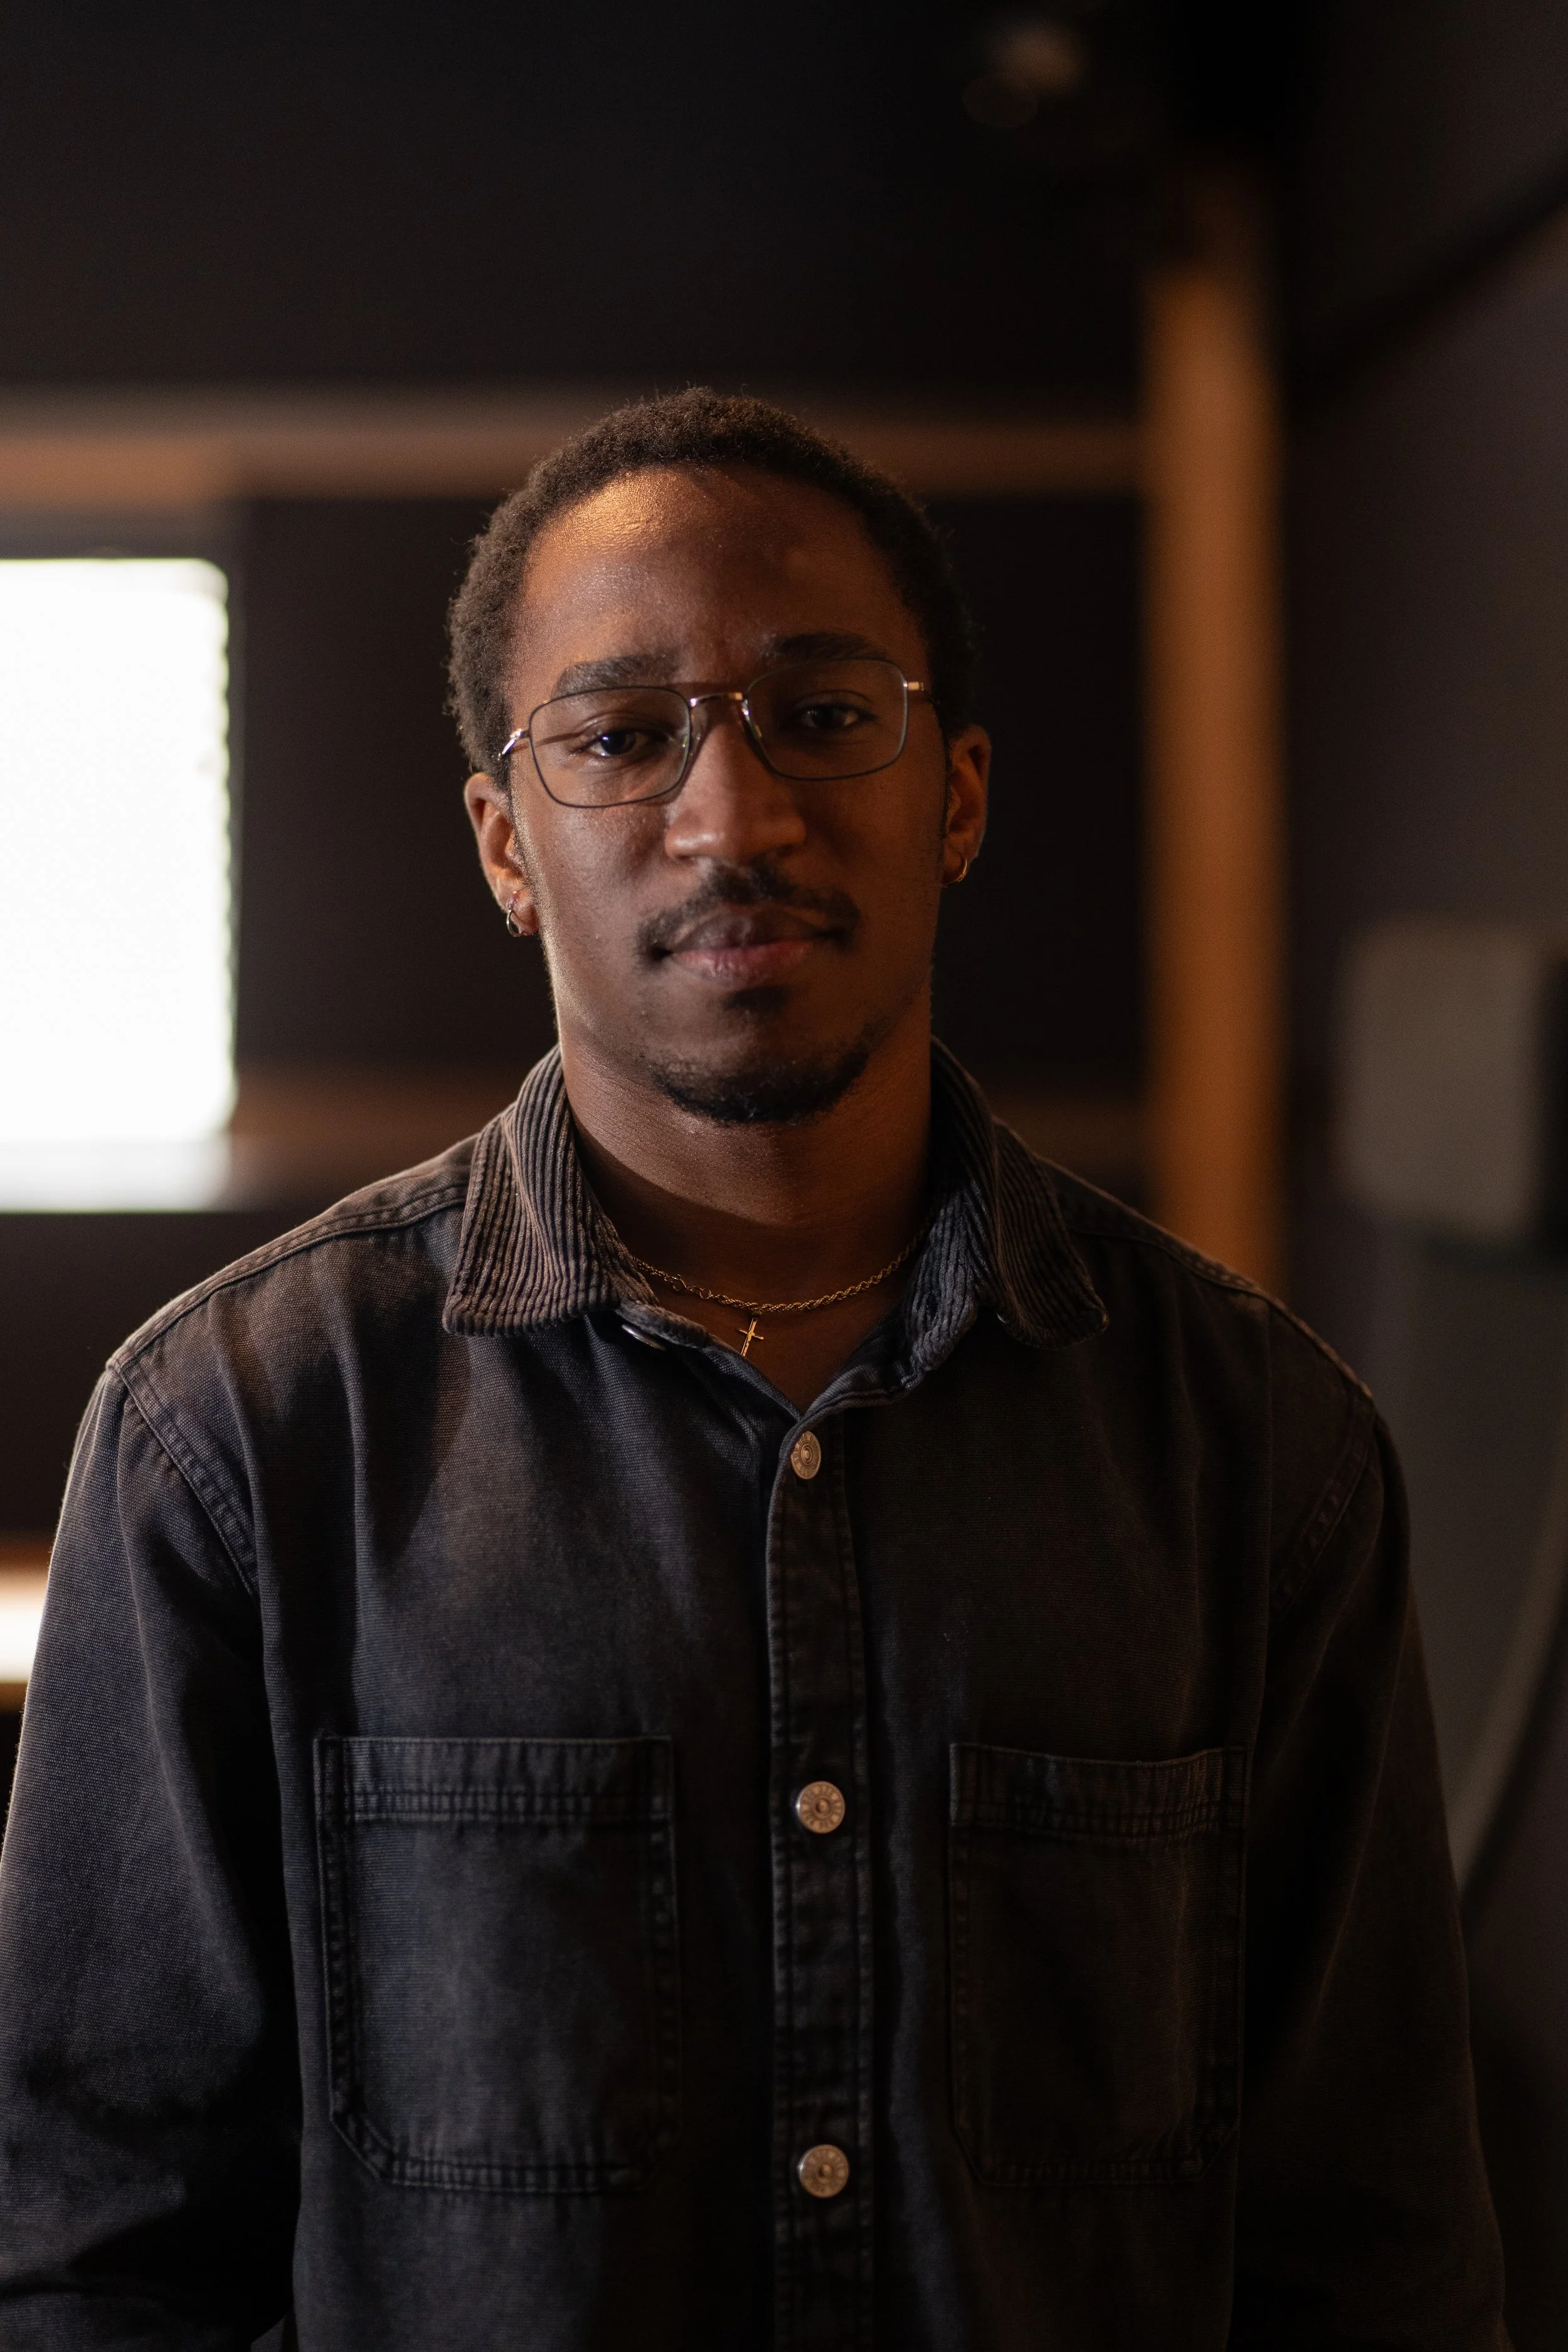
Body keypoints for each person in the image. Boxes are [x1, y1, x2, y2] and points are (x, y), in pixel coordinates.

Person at [0, 390, 1507, 2351]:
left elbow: (1370, 2251)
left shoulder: (1253, 1447)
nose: (735, 816)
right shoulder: (243, 1436)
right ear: (504, 842)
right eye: (623, 737)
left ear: (952, 792)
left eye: (819, 715)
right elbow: (91, 2257)